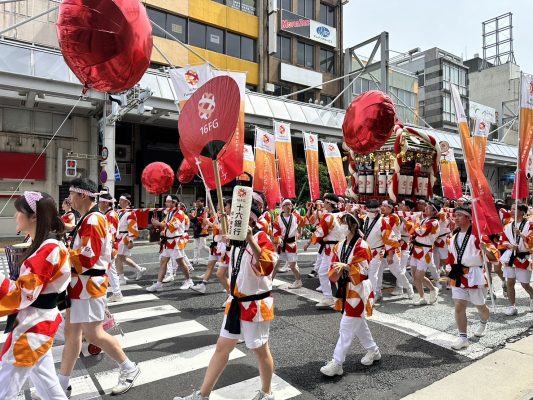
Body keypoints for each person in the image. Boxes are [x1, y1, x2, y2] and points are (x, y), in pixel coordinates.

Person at [173, 205, 278, 400]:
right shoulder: (235, 239)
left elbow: (267, 266)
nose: (232, 220)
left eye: (236, 217)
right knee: (222, 346)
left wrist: (250, 240)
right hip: (236, 302)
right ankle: (202, 395)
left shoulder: (262, 237)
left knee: (261, 350)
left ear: (251, 220)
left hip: (255, 305)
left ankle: (267, 392)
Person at [58, 178, 140, 396]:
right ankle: (61, 384)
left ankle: (129, 368)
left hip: (88, 286)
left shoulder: (93, 220)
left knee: (93, 334)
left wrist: (60, 256)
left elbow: (88, 257)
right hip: (80, 286)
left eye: (71, 195)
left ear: (83, 195)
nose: (69, 200)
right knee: (71, 334)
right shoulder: (88, 218)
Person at [0, 191, 71, 399]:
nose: (15, 217)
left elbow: (22, 295)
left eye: (18, 212)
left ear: (34, 217)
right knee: (49, 388)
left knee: (4, 391)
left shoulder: (47, 249)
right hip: (37, 322)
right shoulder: (47, 246)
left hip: (33, 325)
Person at [320, 213, 380, 378]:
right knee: (358, 323)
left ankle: (337, 362)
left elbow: (364, 269)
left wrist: (346, 267)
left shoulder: (362, 245)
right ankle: (373, 351)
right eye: (341, 223)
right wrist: (336, 270)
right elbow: (333, 265)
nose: (341, 226)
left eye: (344, 223)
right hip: (346, 287)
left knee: (346, 326)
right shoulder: (339, 245)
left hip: (358, 288)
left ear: (353, 226)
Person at [447, 207, 499, 350]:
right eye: (455, 215)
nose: (456, 218)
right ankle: (463, 337)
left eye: (460, 215)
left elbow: (494, 257)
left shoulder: (478, 234)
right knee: (459, 305)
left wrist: (486, 249)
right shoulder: (454, 236)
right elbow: (451, 256)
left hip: (474, 275)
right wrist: (449, 273)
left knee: (480, 306)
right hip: (458, 274)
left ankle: (484, 321)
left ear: (469, 217)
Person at [304, 194, 345, 308]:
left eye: (325, 203)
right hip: (341, 247)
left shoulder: (328, 217)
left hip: (331, 248)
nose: (323, 205)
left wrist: (309, 242)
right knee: (334, 273)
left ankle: (331, 298)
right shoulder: (343, 214)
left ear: (329, 203)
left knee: (327, 272)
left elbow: (320, 232)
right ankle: (336, 298)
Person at [147, 195, 193, 291]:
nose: (166, 203)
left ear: (174, 203)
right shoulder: (170, 213)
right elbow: (164, 224)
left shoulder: (180, 213)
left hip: (176, 241)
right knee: (163, 261)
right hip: (168, 241)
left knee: (180, 262)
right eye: (166, 201)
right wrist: (157, 224)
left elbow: (172, 226)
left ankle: (189, 280)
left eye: (168, 202)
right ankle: (159, 284)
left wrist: (158, 223)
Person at [360, 199, 400, 302]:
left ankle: (372, 296)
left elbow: (390, 240)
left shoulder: (383, 221)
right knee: (365, 273)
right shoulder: (363, 219)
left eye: (375, 211)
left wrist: (390, 255)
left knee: (372, 273)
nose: (373, 213)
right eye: (370, 211)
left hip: (377, 252)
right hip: (364, 251)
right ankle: (376, 291)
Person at [191, 199, 231, 294]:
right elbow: (206, 223)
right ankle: (203, 285)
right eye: (217, 205)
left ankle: (230, 288)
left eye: (222, 206)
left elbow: (222, 230)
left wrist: (213, 225)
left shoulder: (228, 218)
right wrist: (206, 216)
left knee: (228, 270)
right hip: (215, 245)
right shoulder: (217, 216)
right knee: (210, 266)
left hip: (224, 247)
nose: (218, 207)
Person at [500, 203, 533, 316]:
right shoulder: (507, 226)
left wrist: (521, 235)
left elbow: (531, 241)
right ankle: (512, 306)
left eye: (514, 208)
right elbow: (503, 241)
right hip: (511, 257)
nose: (511, 210)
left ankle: (532, 297)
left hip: (524, 257)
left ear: (522, 212)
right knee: (510, 282)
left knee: (525, 284)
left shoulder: (530, 224)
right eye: (511, 208)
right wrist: (509, 246)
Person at [379, 200, 414, 299]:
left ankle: (408, 286)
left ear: (390, 208)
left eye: (384, 206)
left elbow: (382, 224)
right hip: (382, 247)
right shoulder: (382, 217)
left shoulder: (393, 217)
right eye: (382, 205)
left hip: (394, 247)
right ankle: (378, 291)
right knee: (379, 269)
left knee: (397, 270)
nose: (382, 207)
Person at [408, 201, 440, 305]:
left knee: (419, 276)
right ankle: (422, 297)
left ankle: (433, 288)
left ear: (434, 212)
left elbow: (420, 232)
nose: (426, 208)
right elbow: (413, 231)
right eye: (426, 207)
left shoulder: (434, 222)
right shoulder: (425, 220)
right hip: (416, 248)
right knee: (414, 275)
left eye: (429, 208)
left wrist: (416, 220)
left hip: (425, 251)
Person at [272, 199, 305, 289]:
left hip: (291, 244)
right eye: (286, 205)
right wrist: (278, 239)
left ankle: (298, 281)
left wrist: (309, 210)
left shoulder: (296, 216)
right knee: (276, 264)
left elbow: (304, 223)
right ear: (282, 207)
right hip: (282, 244)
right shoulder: (278, 218)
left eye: (290, 204)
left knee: (292, 266)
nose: (288, 206)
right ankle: (269, 282)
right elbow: (275, 232)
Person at [98, 193, 123, 303]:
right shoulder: (109, 213)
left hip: (110, 246)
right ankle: (116, 293)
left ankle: (117, 293)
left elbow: (111, 233)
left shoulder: (110, 215)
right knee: (110, 270)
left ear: (105, 203)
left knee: (110, 270)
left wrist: (111, 249)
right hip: (110, 246)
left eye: (100, 202)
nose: (98, 204)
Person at [115, 194, 145, 284]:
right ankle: (139, 269)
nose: (119, 201)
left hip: (125, 237)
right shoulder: (120, 211)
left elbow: (132, 227)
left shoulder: (130, 212)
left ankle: (121, 278)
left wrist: (131, 240)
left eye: (121, 200)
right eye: (119, 200)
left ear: (127, 201)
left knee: (118, 258)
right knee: (123, 258)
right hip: (120, 236)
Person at [189, 198, 210, 266]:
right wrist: (191, 218)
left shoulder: (205, 210)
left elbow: (203, 219)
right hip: (196, 229)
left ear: (202, 203)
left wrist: (194, 218)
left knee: (203, 246)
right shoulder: (196, 210)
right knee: (196, 246)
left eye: (198, 202)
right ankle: (195, 260)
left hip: (202, 230)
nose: (197, 203)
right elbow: (194, 219)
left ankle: (213, 254)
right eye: (196, 202)